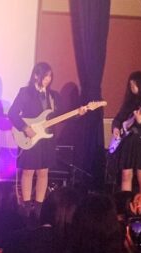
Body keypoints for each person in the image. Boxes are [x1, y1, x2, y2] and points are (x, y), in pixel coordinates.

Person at [8, 62, 85, 215]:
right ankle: (26, 207)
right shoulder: (25, 92)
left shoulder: (53, 96)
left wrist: (77, 113)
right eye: (45, 76)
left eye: (50, 76)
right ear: (36, 76)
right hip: (30, 137)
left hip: (47, 139)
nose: (48, 79)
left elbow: (62, 116)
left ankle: (39, 208)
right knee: (28, 171)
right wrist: (25, 128)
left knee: (43, 172)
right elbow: (12, 113)